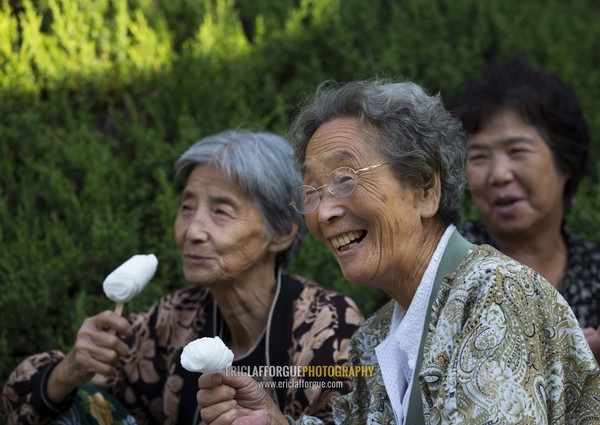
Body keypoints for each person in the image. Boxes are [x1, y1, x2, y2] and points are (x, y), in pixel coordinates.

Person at [194, 78, 600, 424]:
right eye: (312, 191)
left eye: (345, 178)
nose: (324, 211)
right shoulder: (375, 335)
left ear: (425, 188)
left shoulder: (497, 294)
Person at [0, 130, 364, 425]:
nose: (193, 230)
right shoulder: (171, 321)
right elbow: (25, 404)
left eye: (221, 211)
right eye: (187, 207)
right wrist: (71, 368)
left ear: (282, 231)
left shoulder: (327, 325)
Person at [448, 57, 600, 360]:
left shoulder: (595, 268)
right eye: (478, 157)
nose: (499, 174)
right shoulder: (448, 269)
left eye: (517, 151)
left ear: (565, 163)